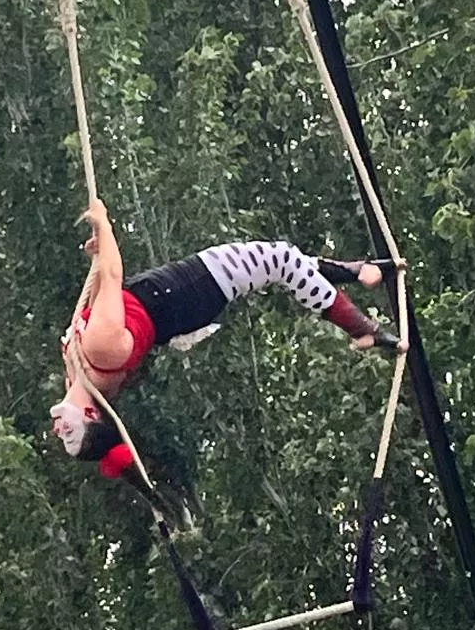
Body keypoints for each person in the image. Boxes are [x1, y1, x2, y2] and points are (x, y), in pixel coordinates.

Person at [50, 199, 403, 480]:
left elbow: (102, 292)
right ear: (92, 412)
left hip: (175, 299)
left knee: (279, 261)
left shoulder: (80, 372)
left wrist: (99, 253)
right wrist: (105, 225)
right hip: (185, 294)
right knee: (277, 260)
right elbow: (113, 275)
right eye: (68, 432)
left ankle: (358, 272)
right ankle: (362, 329)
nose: (55, 430)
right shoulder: (99, 351)